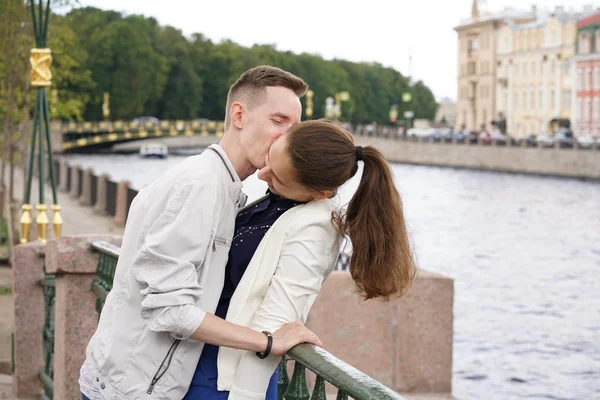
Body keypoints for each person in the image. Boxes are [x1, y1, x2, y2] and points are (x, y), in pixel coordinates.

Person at [78, 66, 324, 400]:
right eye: (278, 121)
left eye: (293, 128)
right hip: (134, 390)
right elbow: (168, 309)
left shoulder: (221, 185)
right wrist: (267, 341)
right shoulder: (201, 186)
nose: (286, 139)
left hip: (130, 380)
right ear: (239, 115)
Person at [186, 119, 417, 400]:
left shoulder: (315, 228)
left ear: (320, 194)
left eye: (278, 177)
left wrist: (245, 394)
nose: (263, 174)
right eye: (270, 159)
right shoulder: (278, 201)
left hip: (223, 378)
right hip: (198, 352)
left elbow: (275, 320)